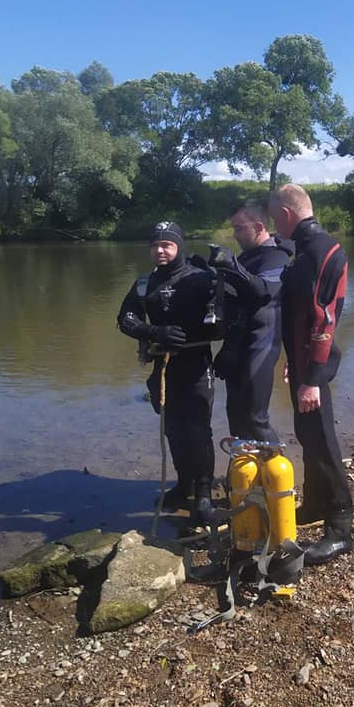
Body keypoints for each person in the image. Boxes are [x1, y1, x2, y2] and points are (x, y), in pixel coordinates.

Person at [268, 184, 354, 565]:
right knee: (307, 435)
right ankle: (317, 502)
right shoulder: (305, 249)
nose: (274, 225)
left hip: (314, 368)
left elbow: (324, 320)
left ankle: (340, 526)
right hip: (304, 362)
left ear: (286, 214)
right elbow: (302, 316)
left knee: (323, 440)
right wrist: (295, 361)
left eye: (274, 219)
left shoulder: (321, 251)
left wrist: (314, 377)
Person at [117, 220, 220, 525]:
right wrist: (153, 331)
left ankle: (203, 493)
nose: (160, 250)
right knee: (172, 428)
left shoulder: (201, 279)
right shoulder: (145, 283)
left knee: (198, 430)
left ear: (179, 246)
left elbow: (221, 321)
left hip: (197, 365)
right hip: (163, 367)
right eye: (155, 245)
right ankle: (184, 483)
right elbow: (125, 318)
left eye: (167, 244)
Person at [208, 200, 293, 443]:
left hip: (261, 346)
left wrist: (231, 264)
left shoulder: (276, 257)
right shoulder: (248, 258)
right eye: (233, 228)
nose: (234, 235)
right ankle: (246, 477)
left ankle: (277, 478)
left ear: (258, 226)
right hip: (237, 345)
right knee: (236, 416)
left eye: (239, 228)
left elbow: (262, 291)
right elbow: (235, 300)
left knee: (256, 418)